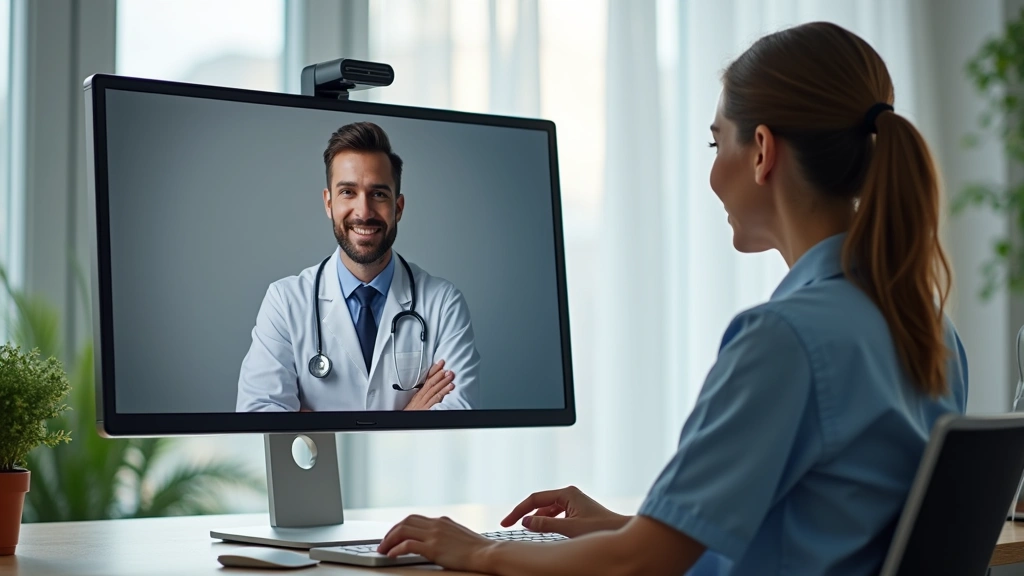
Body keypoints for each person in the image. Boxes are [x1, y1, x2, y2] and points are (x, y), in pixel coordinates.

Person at [374, 21, 969, 575]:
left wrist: (480, 548)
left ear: (762, 151)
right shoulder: (930, 331)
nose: (712, 175)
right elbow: (818, 526)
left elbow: (639, 565)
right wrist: (624, 524)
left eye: (717, 146)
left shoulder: (785, 338)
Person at [236, 121, 481, 412]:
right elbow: (259, 416)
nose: (363, 212)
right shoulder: (285, 302)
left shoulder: (443, 303)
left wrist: (311, 424)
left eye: (378, 194)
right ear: (329, 203)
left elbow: (458, 416)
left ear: (398, 207)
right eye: (348, 192)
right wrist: (410, 414)